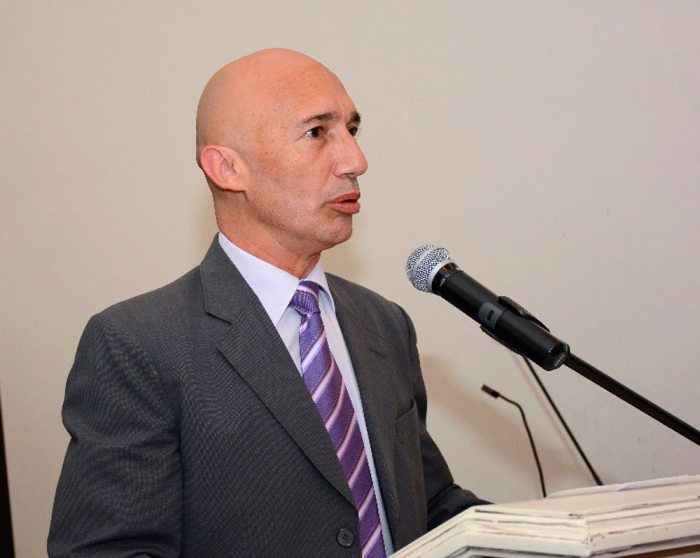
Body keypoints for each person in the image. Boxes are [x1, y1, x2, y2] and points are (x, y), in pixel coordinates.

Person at [48, 48, 486, 557]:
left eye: (352, 130)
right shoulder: (138, 345)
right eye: (317, 132)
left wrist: (548, 533)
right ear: (228, 168)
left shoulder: (384, 323)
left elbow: (428, 507)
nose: (356, 161)